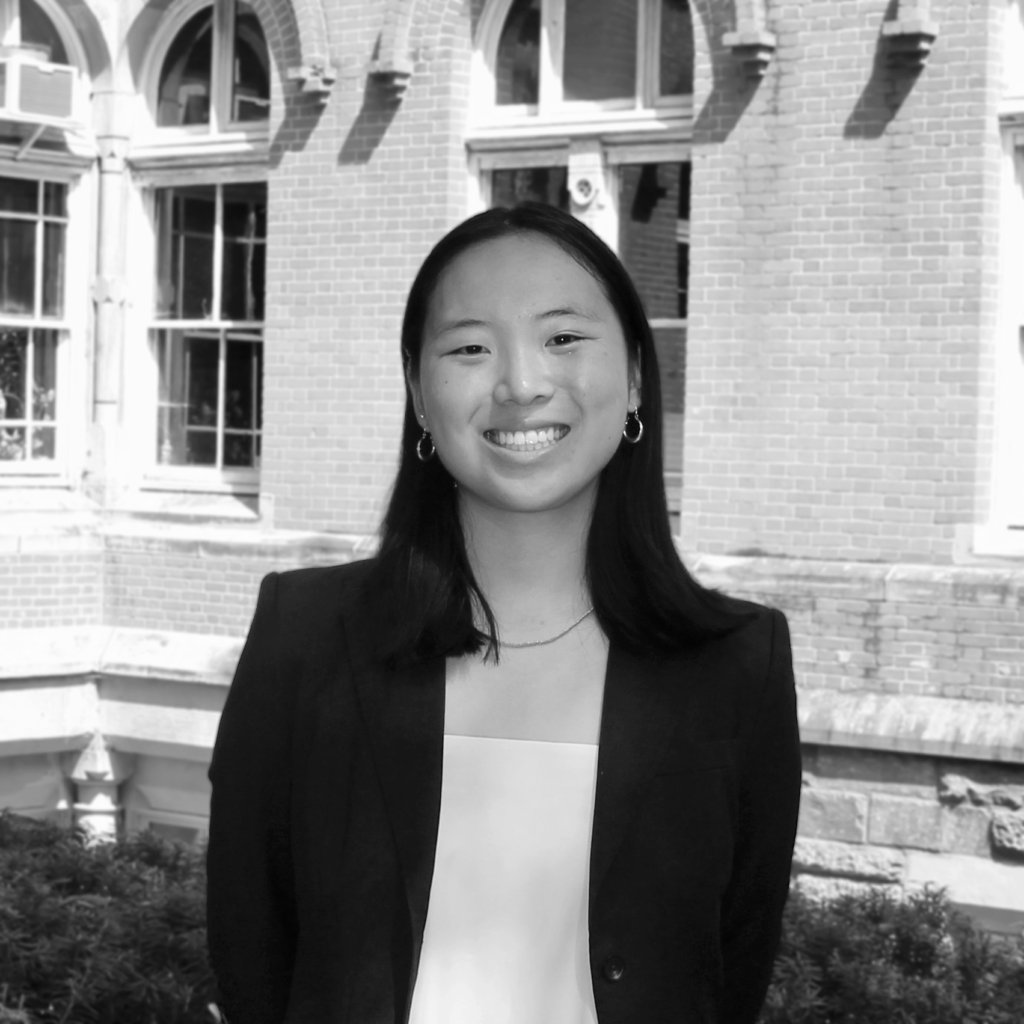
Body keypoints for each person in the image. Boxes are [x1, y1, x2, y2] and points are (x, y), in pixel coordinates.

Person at [206, 203, 801, 1024]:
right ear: (419, 393)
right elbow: (252, 951)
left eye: (563, 337)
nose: (521, 384)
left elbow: (732, 968)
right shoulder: (303, 635)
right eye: (470, 348)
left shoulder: (738, 664)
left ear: (635, 375)